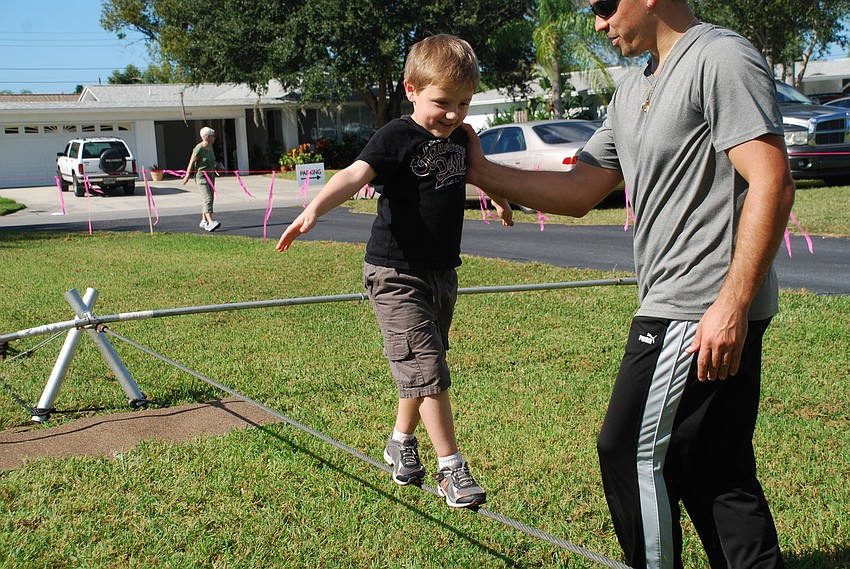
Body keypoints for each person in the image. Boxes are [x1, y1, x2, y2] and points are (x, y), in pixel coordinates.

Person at [463, 1, 794, 567]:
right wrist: (479, 168)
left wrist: (731, 304)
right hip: (691, 305)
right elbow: (579, 190)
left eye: (602, 5)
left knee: (627, 454)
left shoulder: (721, 58)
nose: (596, 22)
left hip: (695, 307)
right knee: (715, 467)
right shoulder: (634, 85)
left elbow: (772, 180)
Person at [276, 35, 513, 508]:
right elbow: (352, 175)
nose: (453, 114)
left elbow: (479, 174)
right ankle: (451, 468)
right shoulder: (396, 136)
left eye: (464, 103)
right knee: (428, 368)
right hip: (394, 272)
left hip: (442, 272)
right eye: (442, 102)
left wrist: (503, 201)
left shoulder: (463, 138)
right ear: (412, 89)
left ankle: (400, 441)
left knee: (421, 368)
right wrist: (313, 210)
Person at [182, 126, 221, 232]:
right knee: (207, 198)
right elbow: (191, 162)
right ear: (207, 137)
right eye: (213, 136)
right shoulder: (199, 148)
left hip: (211, 175)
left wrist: (217, 165)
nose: (214, 138)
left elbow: (210, 160)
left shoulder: (210, 147)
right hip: (201, 177)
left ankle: (203, 221)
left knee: (210, 198)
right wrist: (187, 176)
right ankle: (210, 222)